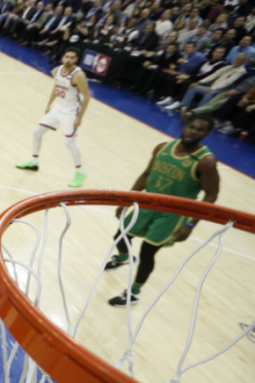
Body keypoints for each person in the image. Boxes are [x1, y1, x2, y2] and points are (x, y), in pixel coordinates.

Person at [104, 116, 220, 306]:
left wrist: (190, 224)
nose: (193, 132)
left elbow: (211, 194)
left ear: (206, 134)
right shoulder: (162, 148)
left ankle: (134, 293)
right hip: (146, 204)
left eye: (199, 130)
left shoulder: (205, 161)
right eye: (191, 127)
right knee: (120, 235)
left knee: (147, 253)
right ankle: (124, 258)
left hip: (172, 214)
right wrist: (127, 201)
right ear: (185, 126)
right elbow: (146, 175)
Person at [16, 47, 91, 188]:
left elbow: (86, 96)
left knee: (69, 143)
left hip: (71, 112)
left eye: (72, 57)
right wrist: (49, 104)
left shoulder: (78, 75)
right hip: (58, 108)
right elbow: (56, 88)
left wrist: (79, 117)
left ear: (76, 60)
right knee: (37, 133)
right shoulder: (57, 70)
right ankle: (34, 162)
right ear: (63, 57)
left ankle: (80, 172)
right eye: (67, 57)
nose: (68, 59)